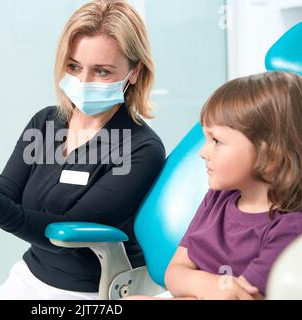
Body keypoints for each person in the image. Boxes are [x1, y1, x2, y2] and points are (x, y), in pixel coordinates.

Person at [0, 0, 166, 300]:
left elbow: (66, 233)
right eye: (74, 66)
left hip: (93, 290)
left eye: (102, 71)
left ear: (134, 72)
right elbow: (5, 197)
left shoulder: (142, 149)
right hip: (31, 274)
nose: (83, 81)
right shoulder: (47, 122)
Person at [125, 71, 302, 300]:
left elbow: (239, 298)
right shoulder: (218, 198)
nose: (202, 152)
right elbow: (174, 273)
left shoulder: (290, 229)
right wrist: (212, 285)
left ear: (270, 154)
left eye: (216, 141)